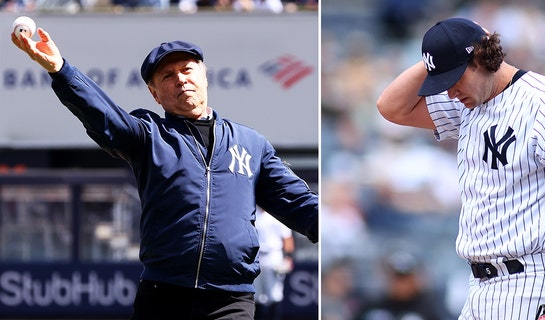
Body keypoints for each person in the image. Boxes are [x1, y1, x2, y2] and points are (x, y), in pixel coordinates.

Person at [11, 28, 318, 320]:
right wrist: (61, 70)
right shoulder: (149, 135)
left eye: (187, 70)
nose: (180, 80)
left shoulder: (251, 144)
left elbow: (301, 205)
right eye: (168, 76)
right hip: (163, 295)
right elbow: (104, 116)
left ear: (204, 76)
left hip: (230, 300)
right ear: (155, 93)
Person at [376, 17, 545, 319]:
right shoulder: (468, 104)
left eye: (453, 79)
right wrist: (437, 59)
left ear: (481, 58)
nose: (450, 92)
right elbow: (390, 107)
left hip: (534, 281)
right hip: (479, 289)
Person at [353, 250, 448, 320]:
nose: (401, 284)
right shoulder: (373, 304)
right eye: (396, 277)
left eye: (405, 278)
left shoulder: (429, 307)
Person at [253, 207, 295, 320]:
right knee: (256, 295)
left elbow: (287, 238)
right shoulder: (252, 212)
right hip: (256, 255)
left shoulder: (277, 213)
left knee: (274, 294)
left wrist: (288, 257)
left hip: (274, 254)